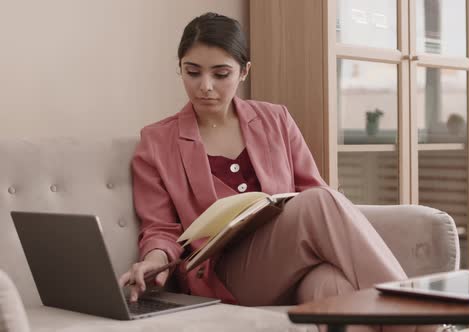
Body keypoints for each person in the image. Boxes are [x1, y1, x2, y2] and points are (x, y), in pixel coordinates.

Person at [118, 12, 447, 332]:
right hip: (225, 275)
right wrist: (153, 261)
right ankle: (423, 321)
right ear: (180, 69)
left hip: (290, 264)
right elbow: (160, 228)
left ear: (244, 72)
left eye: (221, 74)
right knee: (322, 202)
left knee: (333, 287)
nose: (205, 86)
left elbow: (310, 190)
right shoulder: (157, 142)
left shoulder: (275, 119)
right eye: (193, 72)